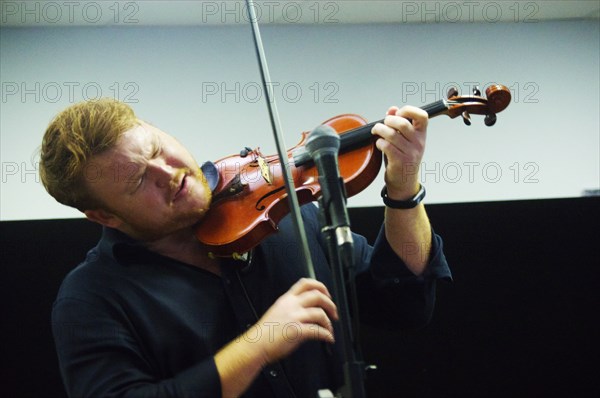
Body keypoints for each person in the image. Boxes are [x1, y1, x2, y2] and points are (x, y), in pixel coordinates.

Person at [42, 98, 451, 397]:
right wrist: (258, 345)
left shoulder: (281, 210)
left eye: (155, 149)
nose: (169, 172)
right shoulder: (90, 297)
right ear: (104, 216)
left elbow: (405, 304)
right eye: (138, 182)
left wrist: (403, 187)